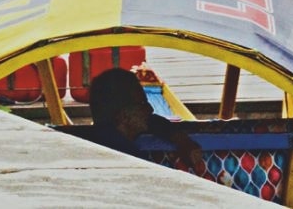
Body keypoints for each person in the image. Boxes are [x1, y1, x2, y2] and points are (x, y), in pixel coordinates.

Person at [72, 68, 203, 173]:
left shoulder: (95, 136)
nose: (150, 109)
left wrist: (182, 140)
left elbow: (153, 122)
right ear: (123, 116)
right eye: (142, 104)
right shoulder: (128, 162)